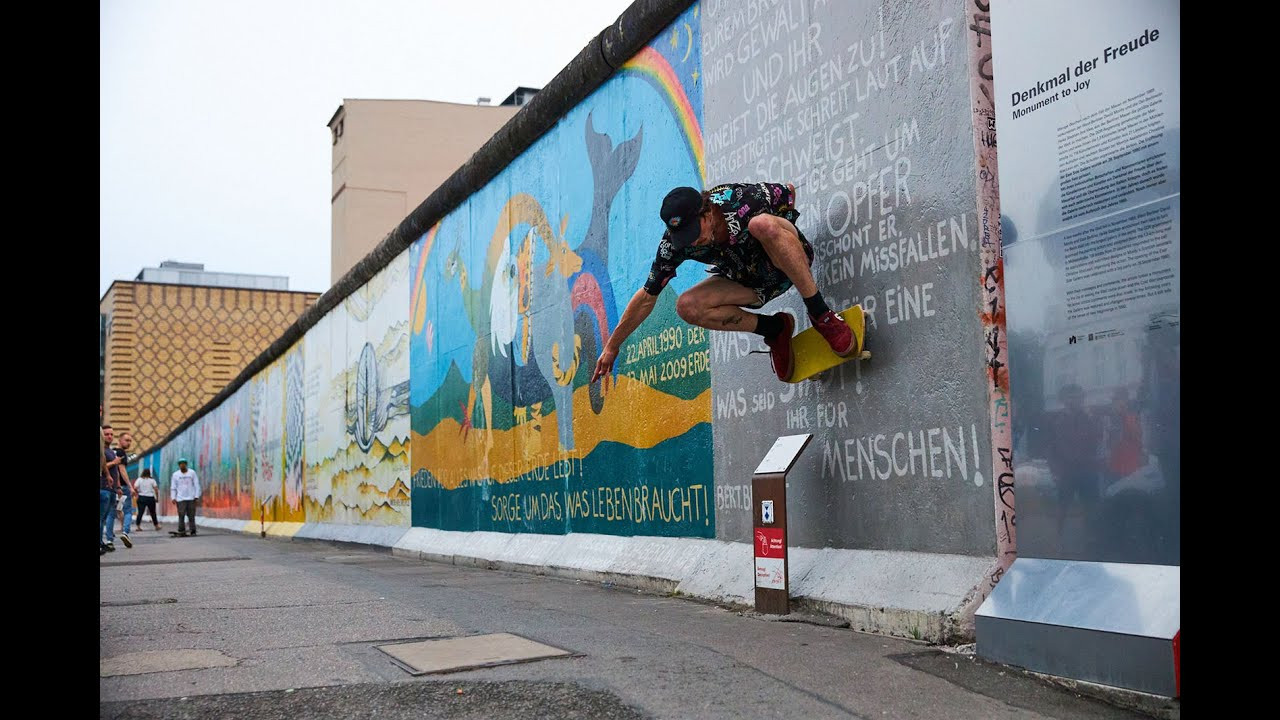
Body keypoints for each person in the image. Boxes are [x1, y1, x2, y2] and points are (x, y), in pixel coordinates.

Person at [590, 183, 856, 384]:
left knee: (762, 224)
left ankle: (821, 314)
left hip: (785, 264)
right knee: (687, 306)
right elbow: (647, 297)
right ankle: (775, 329)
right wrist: (612, 346)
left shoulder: (741, 200)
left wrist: (784, 248)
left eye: (695, 233)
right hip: (750, 285)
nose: (693, 242)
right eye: (685, 238)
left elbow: (787, 192)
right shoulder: (673, 245)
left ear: (707, 212)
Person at [114, 431, 137, 547]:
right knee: (128, 511)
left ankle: (109, 539)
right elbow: (122, 470)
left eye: (130, 441)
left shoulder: (111, 451)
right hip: (122, 487)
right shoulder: (121, 452)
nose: (129, 443)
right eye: (126, 440)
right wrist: (130, 486)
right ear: (120, 440)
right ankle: (125, 532)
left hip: (111, 487)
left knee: (115, 511)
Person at [170, 458, 201, 536]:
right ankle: (181, 530)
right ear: (179, 465)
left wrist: (196, 496)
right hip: (180, 498)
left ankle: (193, 530)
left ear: (186, 464)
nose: (182, 465)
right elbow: (173, 487)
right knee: (181, 515)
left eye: (183, 464)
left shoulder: (192, 473)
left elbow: (196, 485)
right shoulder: (175, 474)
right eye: (181, 464)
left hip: (191, 498)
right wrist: (173, 497)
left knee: (191, 515)